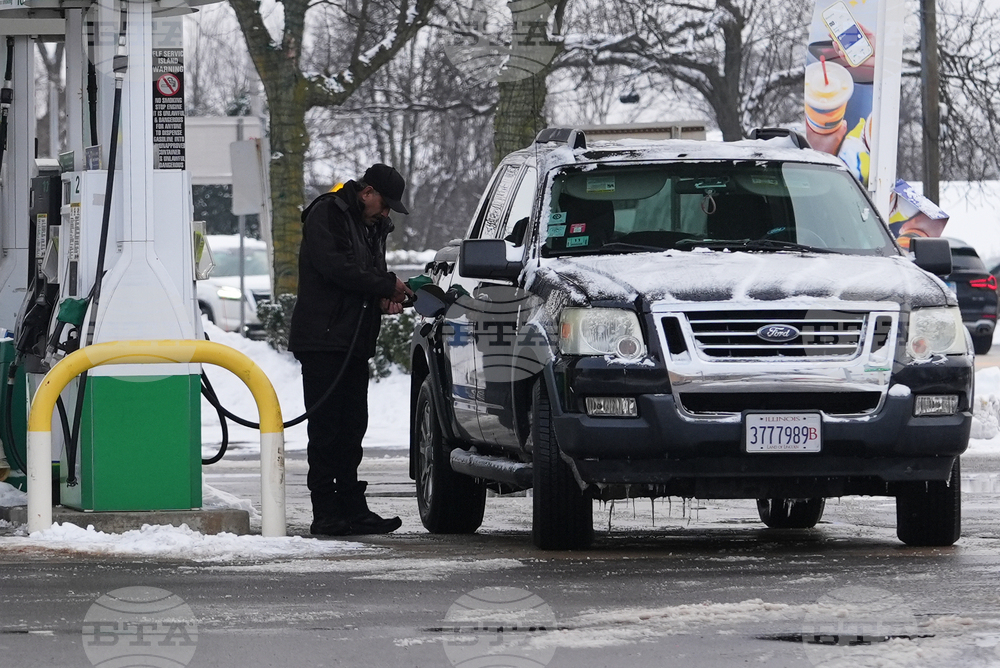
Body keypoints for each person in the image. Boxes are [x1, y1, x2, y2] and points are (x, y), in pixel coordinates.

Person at [288, 163, 414, 536]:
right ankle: (326, 512)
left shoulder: (371, 226)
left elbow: (361, 277)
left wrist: (381, 297)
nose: (387, 212)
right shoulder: (328, 213)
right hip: (323, 339)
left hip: (354, 339)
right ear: (367, 192)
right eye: (385, 204)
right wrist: (384, 285)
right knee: (327, 428)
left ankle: (352, 507)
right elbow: (337, 268)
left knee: (352, 427)